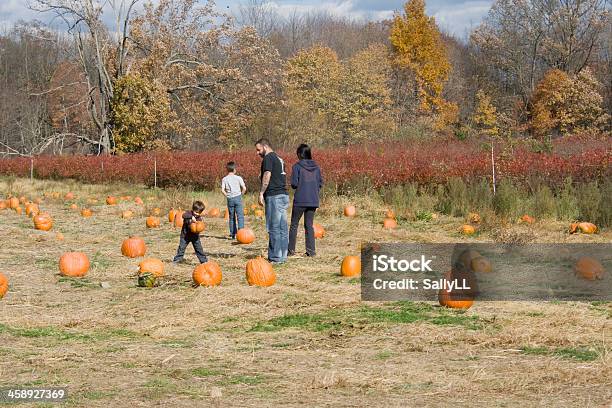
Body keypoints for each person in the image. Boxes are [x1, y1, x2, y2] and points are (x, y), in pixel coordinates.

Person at [255, 138, 289, 264]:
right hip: (283, 195)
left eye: (258, 150)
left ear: (265, 146)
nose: (257, 153)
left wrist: (261, 192)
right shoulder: (279, 158)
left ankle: (275, 258)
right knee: (282, 227)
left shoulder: (268, 158)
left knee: (274, 227)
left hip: (274, 196)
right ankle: (282, 256)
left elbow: (268, 174)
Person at [288, 144, 323, 257]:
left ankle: (290, 251)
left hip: (300, 200)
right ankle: (311, 252)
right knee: (309, 225)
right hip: (313, 200)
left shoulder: (296, 167)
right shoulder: (317, 167)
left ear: (299, 154)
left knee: (294, 224)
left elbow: (294, 184)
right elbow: (320, 183)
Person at [221, 161, 247, 240]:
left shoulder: (224, 179)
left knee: (232, 217)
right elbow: (244, 188)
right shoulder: (238, 178)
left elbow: (222, 190)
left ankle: (233, 234)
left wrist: (227, 196)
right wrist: (241, 194)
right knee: (240, 216)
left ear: (227, 170)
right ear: (234, 169)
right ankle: (241, 234)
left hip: (230, 199)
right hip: (238, 197)